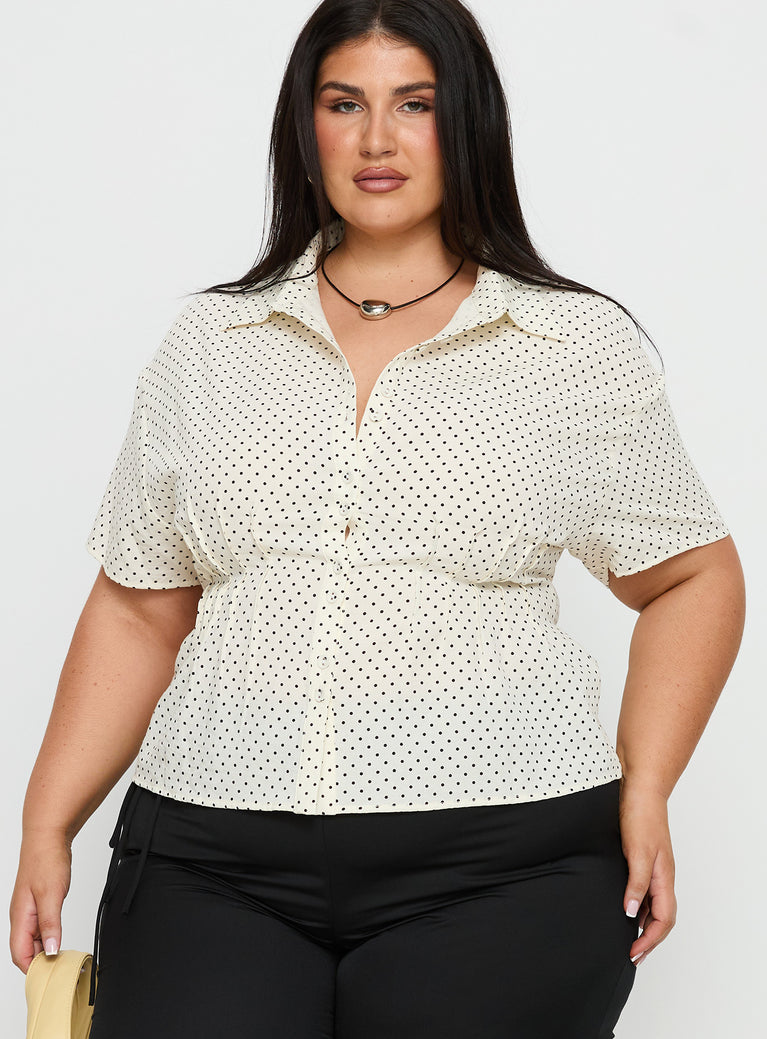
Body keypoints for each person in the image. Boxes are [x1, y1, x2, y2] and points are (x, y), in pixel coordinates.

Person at [9, 1, 745, 1037]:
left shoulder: (570, 345)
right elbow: (137, 605)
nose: (376, 139)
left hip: (507, 864)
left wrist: (648, 785)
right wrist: (48, 819)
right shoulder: (210, 343)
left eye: (415, 104)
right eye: (344, 103)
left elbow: (690, 575)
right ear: (304, 125)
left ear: (468, 121)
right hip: (207, 857)